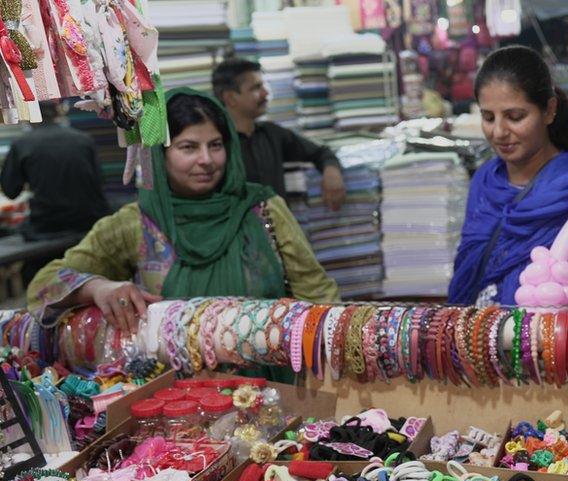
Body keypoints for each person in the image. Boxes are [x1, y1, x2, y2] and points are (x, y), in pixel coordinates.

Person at [28, 89, 339, 382]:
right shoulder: (135, 224)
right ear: (159, 154)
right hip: (176, 411)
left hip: (276, 394)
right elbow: (43, 285)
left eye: (216, 145)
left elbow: (318, 296)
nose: (206, 159)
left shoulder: (263, 210)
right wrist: (98, 288)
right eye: (188, 147)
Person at [448, 45, 568, 308]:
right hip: (476, 342)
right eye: (488, 117)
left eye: (515, 117)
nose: (499, 132)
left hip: (552, 346)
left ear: (549, 110)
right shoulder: (485, 181)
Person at [211, 58, 346, 210]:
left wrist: (332, 173)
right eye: (256, 88)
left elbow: (321, 152)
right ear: (230, 98)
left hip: (278, 230)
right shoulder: (216, 145)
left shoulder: (272, 134)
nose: (265, 93)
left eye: (263, 86)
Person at [1, 101, 112, 282]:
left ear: (29, 117)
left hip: (49, 226)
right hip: (89, 221)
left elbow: (10, 190)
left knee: (32, 273)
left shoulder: (22, 144)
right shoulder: (83, 139)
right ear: (57, 113)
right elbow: (100, 182)